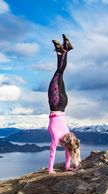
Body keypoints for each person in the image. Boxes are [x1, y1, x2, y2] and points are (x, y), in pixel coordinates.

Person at [48, 34, 81, 175]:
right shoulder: (58, 138)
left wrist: (68, 166)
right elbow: (52, 153)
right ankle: (65, 50)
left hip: (63, 103)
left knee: (60, 75)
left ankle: (61, 51)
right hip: (55, 104)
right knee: (58, 73)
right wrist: (50, 169)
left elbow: (70, 150)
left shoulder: (68, 135)